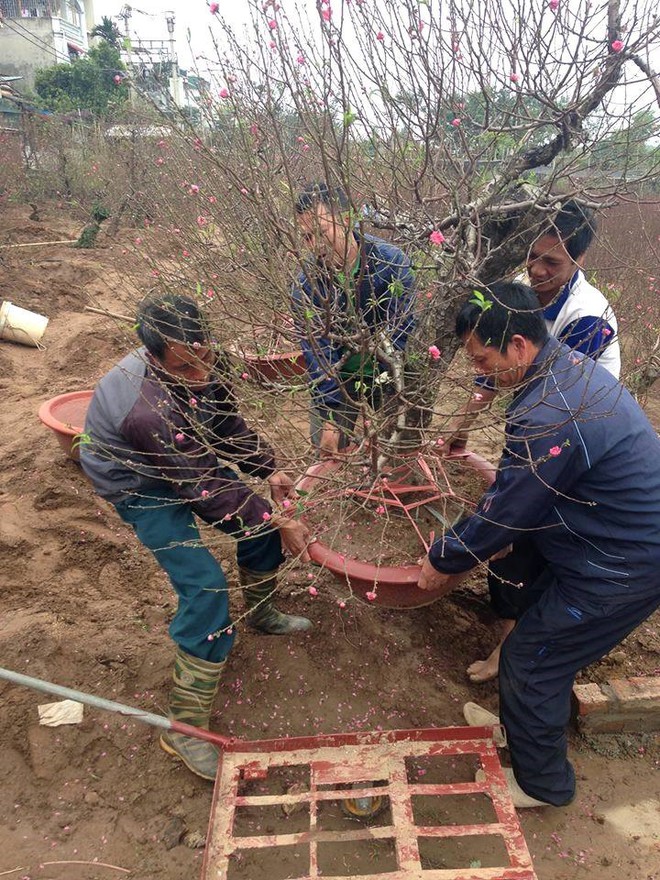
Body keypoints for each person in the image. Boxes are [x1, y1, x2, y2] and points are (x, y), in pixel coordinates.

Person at [418, 283, 660, 808]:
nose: (481, 372)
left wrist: (444, 558)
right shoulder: (563, 371)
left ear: (520, 346)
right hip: (606, 541)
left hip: (622, 566)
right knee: (533, 637)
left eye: (484, 358)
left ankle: (542, 787)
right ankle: (517, 732)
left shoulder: (551, 412)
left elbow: (509, 507)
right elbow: (522, 488)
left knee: (531, 660)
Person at [80, 294, 312, 781]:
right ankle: (184, 730)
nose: (201, 375)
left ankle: (262, 614)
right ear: (155, 356)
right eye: (186, 370)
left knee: (260, 521)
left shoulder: (204, 358)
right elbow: (204, 487)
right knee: (205, 588)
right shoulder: (146, 409)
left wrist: (270, 468)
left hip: (183, 461)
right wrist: (280, 520)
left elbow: (224, 427)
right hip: (138, 483)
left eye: (204, 359)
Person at [441, 200, 621, 683]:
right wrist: (458, 428)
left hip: (578, 440)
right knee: (510, 529)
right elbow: (493, 362)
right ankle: (507, 625)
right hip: (543, 424)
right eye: (534, 256)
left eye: (553, 263)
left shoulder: (589, 317)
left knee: (529, 535)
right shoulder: (521, 294)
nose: (538, 271)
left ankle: (516, 651)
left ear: (579, 261)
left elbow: (552, 412)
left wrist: (461, 549)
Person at [291, 182, 416, 456]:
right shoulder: (307, 287)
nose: (317, 246)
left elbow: (401, 330)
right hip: (338, 377)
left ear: (347, 221)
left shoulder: (390, 263)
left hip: (386, 372)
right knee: (326, 450)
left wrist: (384, 379)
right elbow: (318, 354)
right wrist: (331, 416)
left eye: (322, 233)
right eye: (308, 238)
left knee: (400, 445)